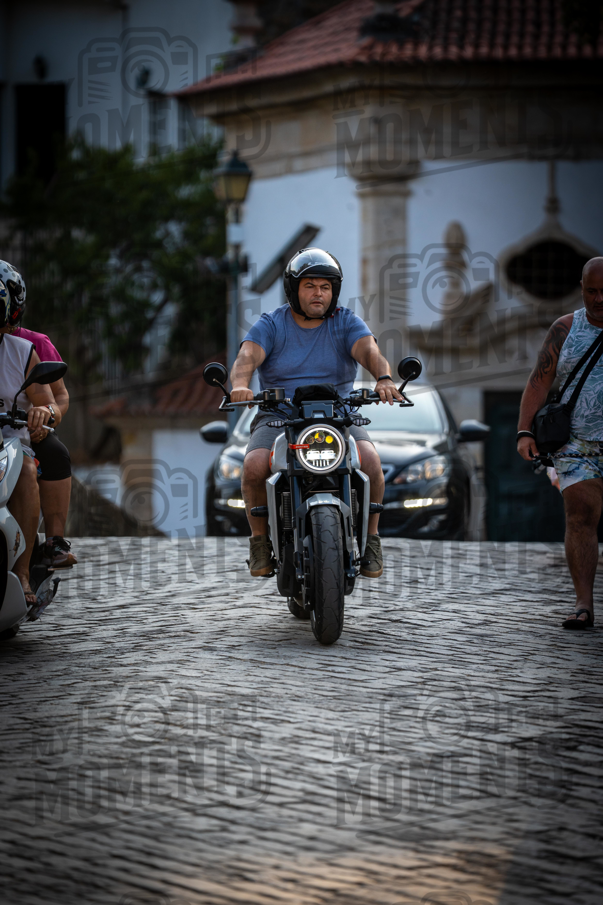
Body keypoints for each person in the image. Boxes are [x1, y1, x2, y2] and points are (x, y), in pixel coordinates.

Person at [230, 247, 403, 578]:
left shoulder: (345, 321)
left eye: (325, 287)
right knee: (253, 465)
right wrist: (240, 384)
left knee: (370, 461)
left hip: (338, 414)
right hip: (280, 414)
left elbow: (369, 350)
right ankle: (259, 542)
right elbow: (246, 358)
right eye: (309, 286)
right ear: (293, 290)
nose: (318, 293)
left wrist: (383, 377)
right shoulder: (271, 324)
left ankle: (371, 539)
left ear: (334, 291)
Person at [517, 256, 603, 629]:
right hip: (576, 443)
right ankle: (584, 604)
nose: (599, 299)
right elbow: (539, 381)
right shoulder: (565, 328)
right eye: (592, 291)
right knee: (580, 515)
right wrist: (524, 430)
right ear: (581, 289)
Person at [0, 259, 76, 568]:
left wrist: (46, 417)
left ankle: (54, 540)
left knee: (54, 453)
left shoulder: (32, 345)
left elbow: (59, 396)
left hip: (23, 429)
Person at [0, 279, 59, 604]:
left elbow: (50, 404)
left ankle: (21, 573)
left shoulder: (22, 352)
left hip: (9, 443)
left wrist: (42, 412)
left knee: (25, 472)